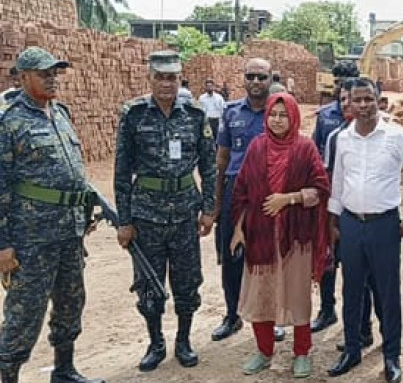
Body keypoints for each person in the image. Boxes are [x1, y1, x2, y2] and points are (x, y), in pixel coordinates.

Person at [0, 47, 105, 383]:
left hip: (69, 231)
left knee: (71, 302)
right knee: (24, 313)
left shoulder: (60, 113)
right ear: (23, 76)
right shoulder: (9, 120)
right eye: (44, 72)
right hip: (31, 236)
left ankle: (64, 369)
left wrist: (84, 208)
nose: (52, 77)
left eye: (55, 71)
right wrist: (3, 244)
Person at [114, 50, 217, 372]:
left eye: (171, 77)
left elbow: (209, 167)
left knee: (187, 283)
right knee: (149, 285)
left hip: (186, 213)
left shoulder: (195, 115)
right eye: (160, 77)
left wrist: (209, 210)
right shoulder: (133, 115)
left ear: (179, 79)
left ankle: (183, 341)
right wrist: (125, 221)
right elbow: (121, 171)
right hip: (146, 215)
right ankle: (156, 342)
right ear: (150, 78)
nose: (165, 84)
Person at [327, 78, 403, 383]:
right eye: (356, 100)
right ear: (349, 103)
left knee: (387, 292)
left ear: (378, 100)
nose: (362, 105)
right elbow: (337, 183)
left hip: (384, 225)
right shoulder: (343, 138)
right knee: (351, 289)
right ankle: (352, 349)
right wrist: (333, 222)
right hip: (350, 224)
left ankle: (392, 355)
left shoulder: (395, 136)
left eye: (368, 100)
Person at [229, 92, 330, 378]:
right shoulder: (257, 147)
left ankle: (301, 353)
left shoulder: (305, 147)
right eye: (273, 114)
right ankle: (263, 351)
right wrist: (238, 228)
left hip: (296, 238)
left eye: (283, 115)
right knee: (261, 296)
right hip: (260, 237)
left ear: (294, 117)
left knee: (297, 297)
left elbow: (321, 190)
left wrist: (289, 198)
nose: (276, 120)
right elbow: (242, 192)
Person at [213, 59, 285, 343]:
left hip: (270, 192)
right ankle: (232, 315)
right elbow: (222, 158)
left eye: (262, 77)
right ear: (244, 79)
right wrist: (218, 201)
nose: (256, 82)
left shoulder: (279, 111)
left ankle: (274, 316)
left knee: (272, 256)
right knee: (232, 255)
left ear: (270, 79)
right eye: (251, 76)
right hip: (236, 191)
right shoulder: (231, 113)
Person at [322, 79, 383, 354]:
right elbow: (328, 178)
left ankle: (378, 330)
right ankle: (357, 333)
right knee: (351, 279)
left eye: (354, 98)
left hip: (368, 219)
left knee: (374, 280)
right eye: (344, 99)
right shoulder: (335, 136)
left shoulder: (380, 133)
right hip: (342, 216)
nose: (349, 104)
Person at [310, 60, 360, 333]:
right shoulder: (326, 115)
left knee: (355, 263)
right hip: (329, 198)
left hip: (355, 200)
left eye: (346, 80)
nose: (340, 85)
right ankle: (327, 309)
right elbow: (316, 152)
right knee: (327, 257)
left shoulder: (365, 112)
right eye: (338, 80)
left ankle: (357, 321)